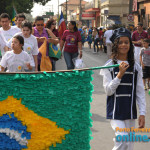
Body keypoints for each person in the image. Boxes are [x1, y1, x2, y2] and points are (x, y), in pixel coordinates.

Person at [100, 27, 146, 150]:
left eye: (126, 42)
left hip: (130, 112)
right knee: (122, 141)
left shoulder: (136, 67)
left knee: (129, 146)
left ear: (130, 44)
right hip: (115, 112)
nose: (124, 45)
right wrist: (119, 75)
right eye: (120, 42)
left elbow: (140, 92)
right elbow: (108, 91)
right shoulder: (109, 66)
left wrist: (142, 113)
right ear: (115, 45)